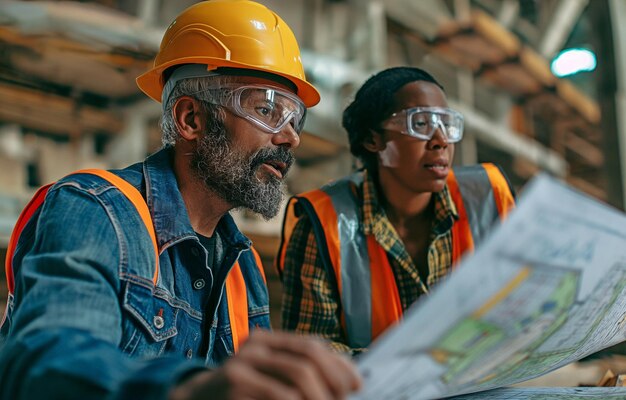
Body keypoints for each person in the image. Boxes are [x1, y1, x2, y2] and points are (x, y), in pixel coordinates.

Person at [0, 1, 361, 399]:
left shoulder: (244, 269)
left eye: (295, 119)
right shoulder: (96, 209)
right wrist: (191, 391)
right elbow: (46, 363)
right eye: (267, 110)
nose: (290, 137)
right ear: (190, 119)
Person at [278, 66, 516, 354]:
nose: (441, 141)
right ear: (373, 140)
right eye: (422, 124)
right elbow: (312, 354)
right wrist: (416, 366)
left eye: (446, 124)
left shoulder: (488, 197)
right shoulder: (324, 224)